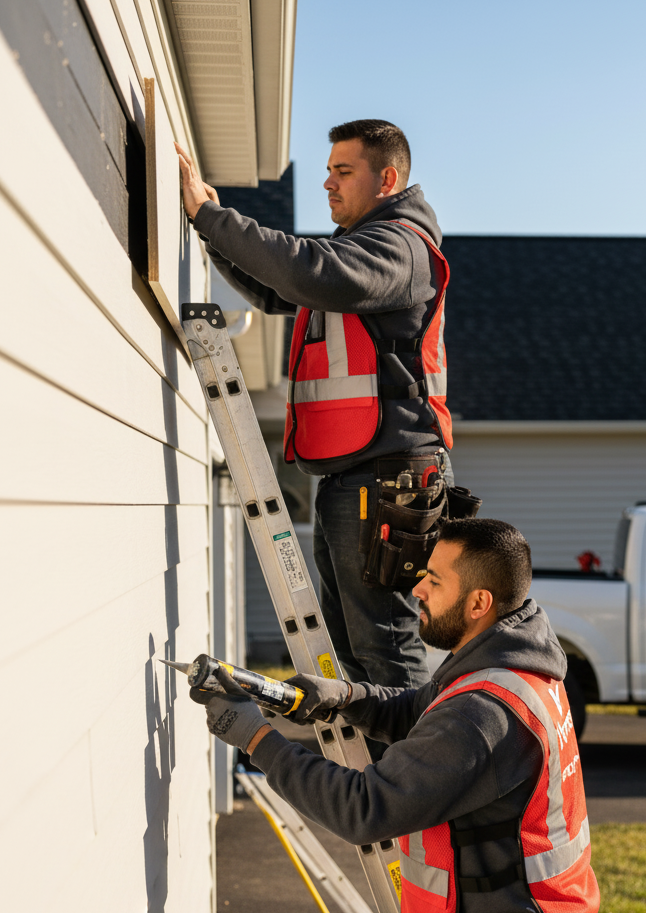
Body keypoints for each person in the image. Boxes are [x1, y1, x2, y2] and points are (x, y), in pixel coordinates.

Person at [191, 519, 600, 912]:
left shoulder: (480, 715)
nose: (417, 589)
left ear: (479, 603)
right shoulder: (515, 667)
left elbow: (363, 808)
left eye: (434, 581)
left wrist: (255, 738)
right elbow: (421, 708)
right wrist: (346, 697)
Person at [177, 120, 453, 690]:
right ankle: (380, 749)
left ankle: (413, 751)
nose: (328, 183)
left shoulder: (399, 247)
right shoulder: (360, 253)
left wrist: (213, 219)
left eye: (343, 171)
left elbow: (312, 271)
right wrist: (211, 228)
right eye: (328, 170)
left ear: (387, 180)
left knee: (384, 644)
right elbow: (277, 287)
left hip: (389, 476)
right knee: (351, 646)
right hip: (360, 474)